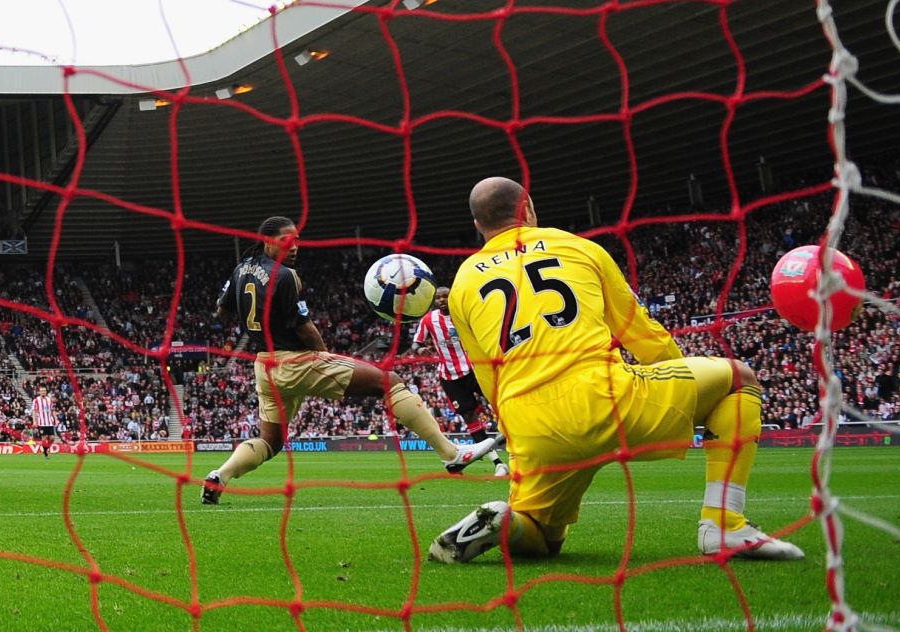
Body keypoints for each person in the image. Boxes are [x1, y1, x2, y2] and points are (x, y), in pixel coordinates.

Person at [428, 177, 803, 563]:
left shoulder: (462, 285)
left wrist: (517, 434)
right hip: (607, 397)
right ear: (528, 209)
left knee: (543, 537)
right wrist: (683, 391)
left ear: (478, 226)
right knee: (738, 379)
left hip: (531, 424)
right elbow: (642, 334)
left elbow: (489, 377)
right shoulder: (579, 248)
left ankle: (506, 522)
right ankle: (723, 523)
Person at [200, 216, 503, 505]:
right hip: (295, 362)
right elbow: (303, 325)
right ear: (267, 241)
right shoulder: (285, 275)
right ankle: (450, 453)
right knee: (390, 382)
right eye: (285, 240)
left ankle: (220, 475)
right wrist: (323, 354)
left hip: (264, 366)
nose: (293, 246)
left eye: (297, 240)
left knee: (271, 442)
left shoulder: (241, 269)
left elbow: (222, 311)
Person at [411, 285, 509, 477]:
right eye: (438, 298)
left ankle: (516, 443)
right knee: (470, 417)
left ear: (451, 297)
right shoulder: (429, 320)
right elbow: (416, 342)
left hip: (475, 369)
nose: (441, 300)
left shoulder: (463, 314)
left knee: (501, 403)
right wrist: (420, 350)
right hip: (450, 378)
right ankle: (498, 463)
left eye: (445, 297)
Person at [31, 386, 57, 459]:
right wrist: (34, 421)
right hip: (41, 422)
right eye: (41, 391)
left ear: (46, 391)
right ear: (39, 392)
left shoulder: (49, 400)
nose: (43, 392)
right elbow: (34, 411)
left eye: (44, 391)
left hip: (50, 422)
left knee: (52, 438)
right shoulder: (36, 400)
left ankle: (46, 448)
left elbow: (52, 410)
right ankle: (45, 452)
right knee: (44, 438)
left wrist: (56, 419)